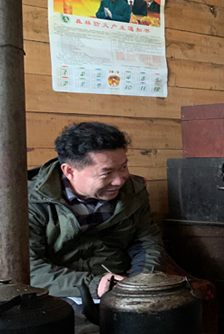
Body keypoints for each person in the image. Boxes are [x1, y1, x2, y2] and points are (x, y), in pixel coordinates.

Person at [28, 122, 163, 306]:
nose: (119, 181)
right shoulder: (31, 201)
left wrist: (141, 282)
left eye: (123, 167)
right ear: (69, 171)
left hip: (121, 286)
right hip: (59, 291)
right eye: (106, 173)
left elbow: (147, 242)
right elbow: (29, 267)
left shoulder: (133, 191)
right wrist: (94, 284)